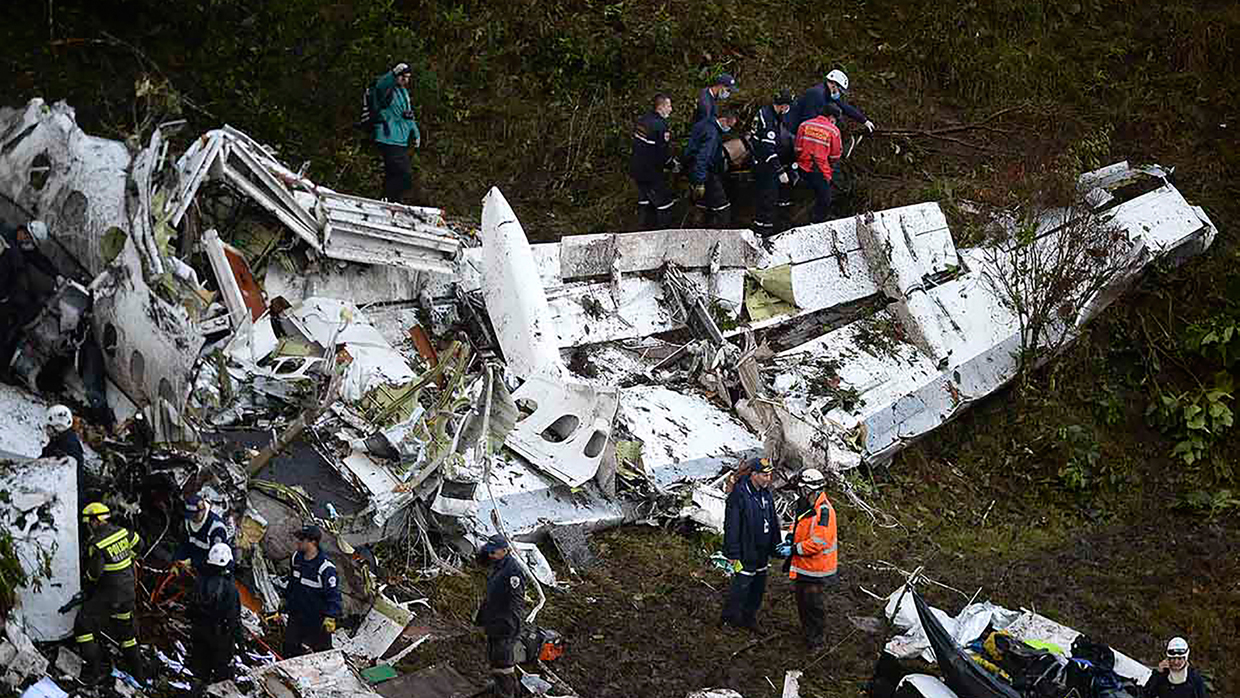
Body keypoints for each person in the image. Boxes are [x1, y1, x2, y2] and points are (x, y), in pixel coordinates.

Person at [74, 502, 144, 685]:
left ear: (95, 520)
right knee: (126, 633)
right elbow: (140, 543)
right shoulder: (123, 532)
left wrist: (86, 588)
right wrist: (129, 557)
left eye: (89, 523)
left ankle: (95, 671)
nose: (88, 527)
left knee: (83, 624)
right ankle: (139, 675)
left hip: (110, 596)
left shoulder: (96, 544)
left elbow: (95, 573)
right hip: (129, 594)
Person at [721, 456, 781, 631]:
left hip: (762, 551)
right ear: (754, 475)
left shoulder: (766, 494)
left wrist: (775, 545)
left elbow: (772, 520)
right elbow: (731, 526)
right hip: (746, 550)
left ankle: (749, 617)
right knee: (741, 585)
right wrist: (732, 553)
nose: (767, 479)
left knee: (758, 587)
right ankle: (728, 619)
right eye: (764, 475)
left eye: (769, 476)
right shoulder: (739, 495)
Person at [787, 468, 837, 649]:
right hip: (804, 567)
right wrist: (789, 537)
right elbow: (798, 524)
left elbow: (818, 542)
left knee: (814, 606)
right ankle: (807, 634)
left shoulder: (824, 512)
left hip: (817, 569)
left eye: (802, 489)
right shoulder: (806, 505)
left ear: (809, 489)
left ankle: (817, 642)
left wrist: (793, 549)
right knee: (802, 603)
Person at [0, 220, 61, 369]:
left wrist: (56, 275)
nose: (31, 246)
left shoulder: (21, 244)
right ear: (25, 234)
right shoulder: (7, 244)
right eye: (31, 242)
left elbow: (38, 258)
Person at [474, 534, 526, 698]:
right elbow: (492, 596)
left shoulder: (513, 572)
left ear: (505, 550)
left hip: (504, 624)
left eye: (493, 552)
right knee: (496, 660)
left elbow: (515, 602)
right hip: (494, 621)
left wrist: (508, 625)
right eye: (489, 551)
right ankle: (510, 690)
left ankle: (505, 693)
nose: (490, 555)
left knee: (502, 664)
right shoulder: (499, 565)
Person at [281, 524, 341, 659]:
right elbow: (293, 581)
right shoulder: (296, 558)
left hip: (317, 619)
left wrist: (331, 616)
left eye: (302, 539)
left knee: (323, 655)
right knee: (289, 649)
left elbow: (334, 595)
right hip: (296, 614)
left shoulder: (325, 568)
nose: (298, 542)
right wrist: (285, 598)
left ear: (313, 542)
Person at [188, 542, 241, 688]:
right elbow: (233, 619)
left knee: (199, 674)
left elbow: (190, 609)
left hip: (199, 634)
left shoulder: (199, 581)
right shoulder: (230, 588)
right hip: (220, 638)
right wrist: (240, 645)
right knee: (222, 678)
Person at [372, 62, 422, 203]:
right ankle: (391, 200)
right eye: (403, 77)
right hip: (388, 137)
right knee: (403, 174)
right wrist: (393, 74)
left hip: (401, 139)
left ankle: (385, 200)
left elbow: (408, 115)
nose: (406, 81)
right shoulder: (387, 89)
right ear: (397, 76)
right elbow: (381, 85)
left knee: (393, 173)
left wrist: (416, 132)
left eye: (408, 78)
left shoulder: (403, 92)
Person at [630, 94, 679, 230]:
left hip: (636, 170)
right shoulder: (660, 125)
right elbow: (661, 152)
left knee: (645, 202)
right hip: (651, 172)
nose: (671, 109)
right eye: (669, 106)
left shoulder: (642, 120)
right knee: (665, 204)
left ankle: (642, 231)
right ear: (661, 107)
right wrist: (672, 164)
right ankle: (665, 234)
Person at [749, 89, 796, 234]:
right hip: (763, 163)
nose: (788, 110)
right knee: (768, 197)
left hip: (762, 159)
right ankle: (763, 232)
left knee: (770, 195)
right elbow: (768, 150)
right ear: (782, 106)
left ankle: (772, 225)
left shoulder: (768, 112)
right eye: (787, 107)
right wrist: (780, 171)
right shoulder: (768, 119)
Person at [684, 108, 740, 227]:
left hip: (692, 168)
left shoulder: (704, 123)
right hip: (705, 173)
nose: (729, 128)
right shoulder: (712, 134)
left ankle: (698, 228)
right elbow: (703, 157)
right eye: (730, 125)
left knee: (703, 203)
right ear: (723, 120)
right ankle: (723, 232)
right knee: (722, 206)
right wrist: (700, 181)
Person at [787, 69, 876, 138]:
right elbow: (808, 121)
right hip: (791, 130)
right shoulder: (817, 94)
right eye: (839, 90)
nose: (839, 93)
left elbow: (844, 106)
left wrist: (864, 120)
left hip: (800, 128)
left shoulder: (827, 93)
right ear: (833, 84)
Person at [794, 103, 843, 223]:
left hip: (801, 168)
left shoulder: (805, 125)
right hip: (820, 171)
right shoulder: (833, 131)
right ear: (831, 117)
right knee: (825, 199)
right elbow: (835, 156)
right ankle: (816, 222)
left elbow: (797, 149)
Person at [173, 494, 230, 574]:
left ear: (203, 510)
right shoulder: (189, 521)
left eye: (195, 516)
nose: (193, 519)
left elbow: (216, 559)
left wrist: (192, 562)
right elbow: (185, 543)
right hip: (194, 565)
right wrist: (177, 561)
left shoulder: (216, 528)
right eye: (190, 516)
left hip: (213, 570)